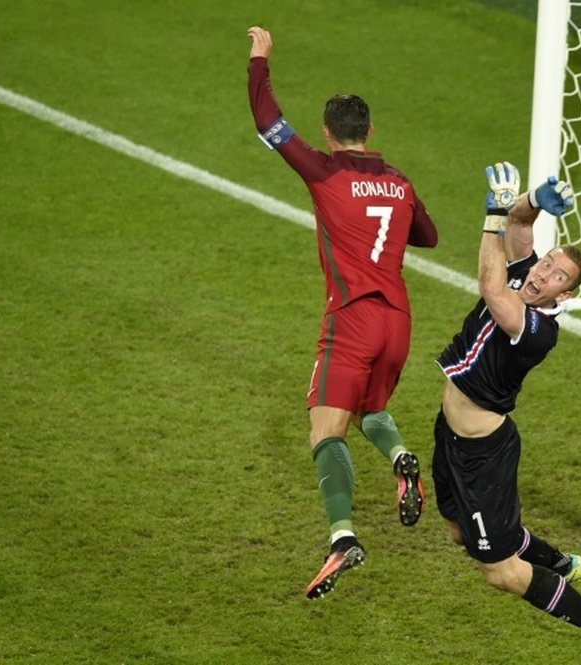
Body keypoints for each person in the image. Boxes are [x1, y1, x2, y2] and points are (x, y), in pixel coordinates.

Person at [246, 26, 439, 599]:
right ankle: (402, 455)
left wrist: (260, 60)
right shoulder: (400, 183)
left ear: (330, 134)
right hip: (398, 321)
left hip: (351, 319)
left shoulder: (324, 169)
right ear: (371, 131)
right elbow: (427, 236)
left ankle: (343, 536)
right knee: (370, 411)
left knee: (325, 430)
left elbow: (267, 123)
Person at [431, 162, 581, 664]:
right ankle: (558, 561)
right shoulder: (530, 272)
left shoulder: (537, 330)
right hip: (451, 435)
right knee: (460, 531)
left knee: (499, 571)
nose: (543, 273)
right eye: (548, 264)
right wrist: (535, 200)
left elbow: (491, 288)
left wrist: (492, 215)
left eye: (556, 276)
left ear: (564, 295)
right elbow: (522, 227)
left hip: (484, 454)